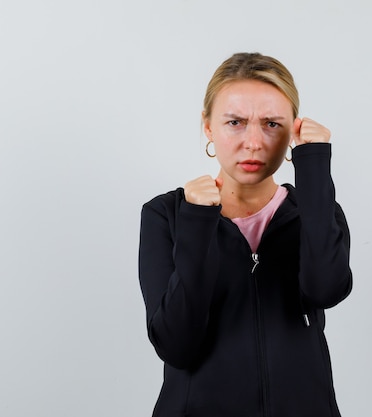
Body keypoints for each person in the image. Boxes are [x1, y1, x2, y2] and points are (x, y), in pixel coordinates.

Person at [138, 52, 353, 417]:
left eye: (271, 124)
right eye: (235, 122)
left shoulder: (316, 209)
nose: (253, 142)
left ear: (293, 129)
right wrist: (197, 223)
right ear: (208, 126)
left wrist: (314, 166)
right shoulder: (167, 215)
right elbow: (177, 345)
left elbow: (325, 289)